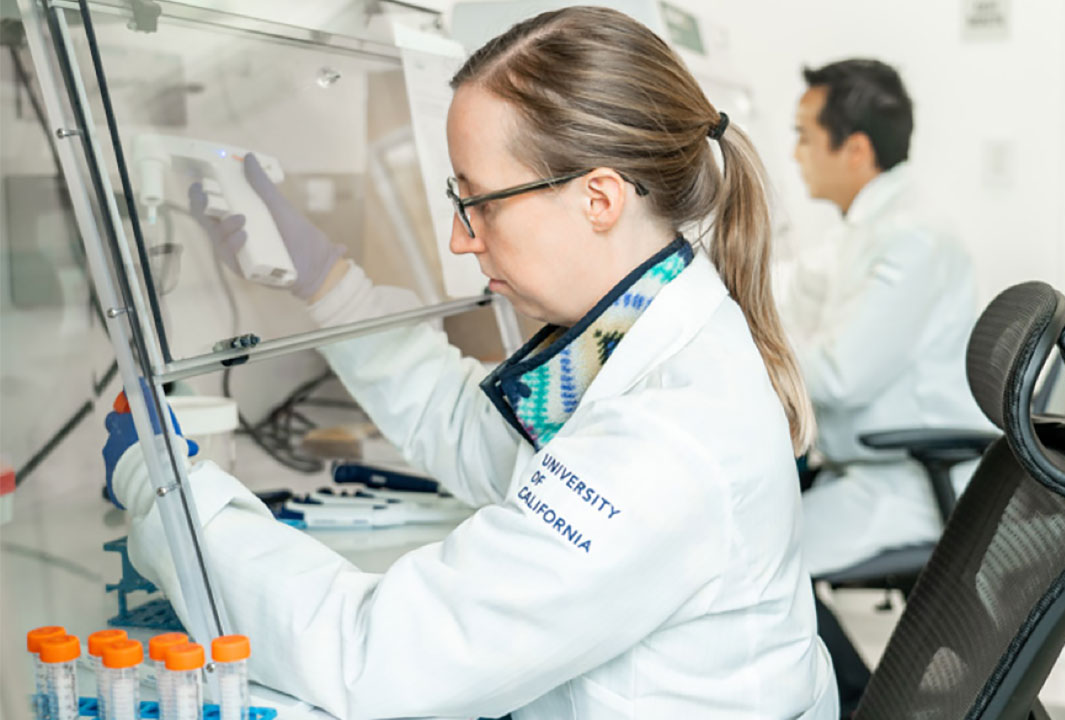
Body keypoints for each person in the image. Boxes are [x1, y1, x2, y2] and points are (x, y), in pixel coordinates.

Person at [102, 8, 838, 719]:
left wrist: (168, 493)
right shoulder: (637, 325)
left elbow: (378, 657)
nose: (462, 239)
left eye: (481, 203)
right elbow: (479, 439)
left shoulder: (664, 438)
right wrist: (327, 282)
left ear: (600, 198)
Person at [782, 58, 989, 717]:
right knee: (750, 531)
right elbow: (799, 291)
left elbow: (838, 373)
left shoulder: (912, 239)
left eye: (804, 136)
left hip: (905, 481)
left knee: (756, 556)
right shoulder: (872, 228)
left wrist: (759, 349)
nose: (795, 153)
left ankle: (860, 705)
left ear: (857, 148)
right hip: (869, 464)